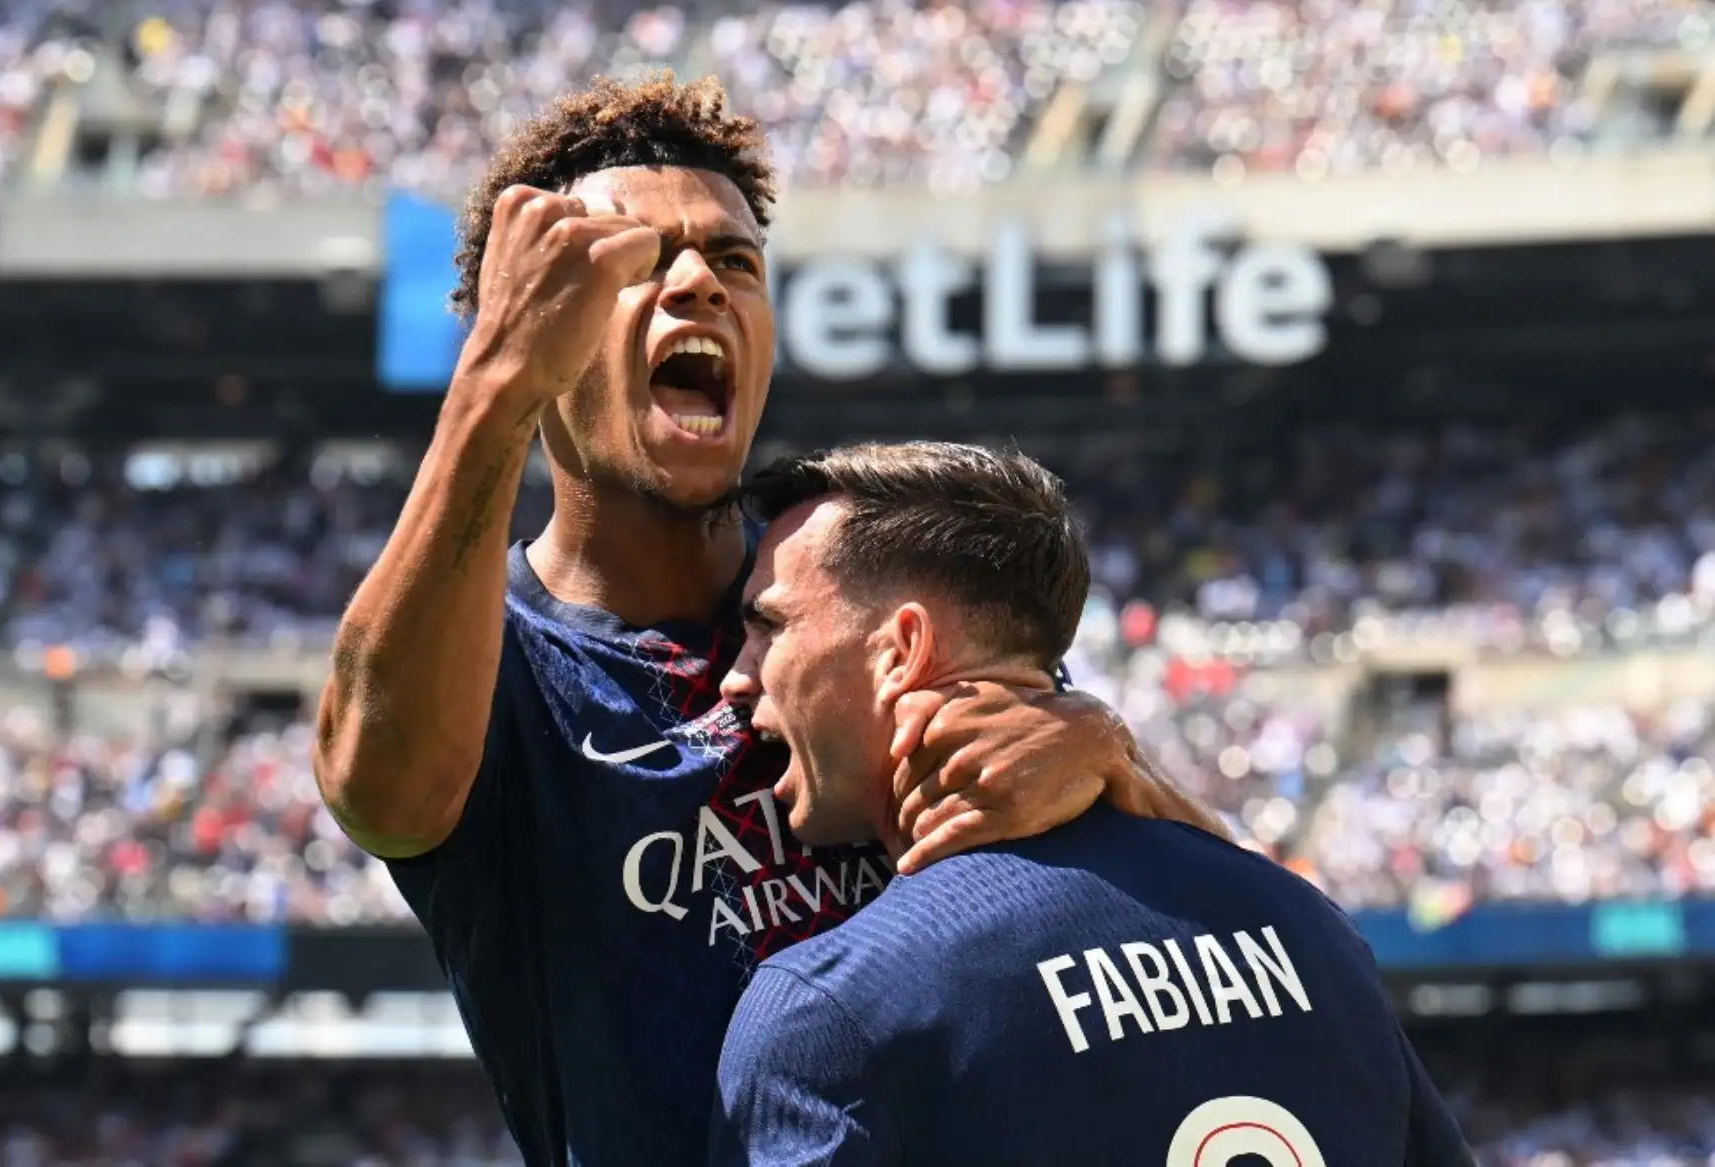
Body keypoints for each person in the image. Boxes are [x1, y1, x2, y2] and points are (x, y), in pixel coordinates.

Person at [313, 73, 1224, 1166]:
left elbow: (1228, 918)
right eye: (634, 260)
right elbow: (381, 786)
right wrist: (493, 385)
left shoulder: (864, 587)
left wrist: (1100, 747)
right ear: (534, 325)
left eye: (735, 260)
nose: (698, 279)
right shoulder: (491, 652)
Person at [710, 441, 1477, 1166]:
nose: (735, 679)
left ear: (900, 650)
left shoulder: (830, 1016)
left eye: (768, 626)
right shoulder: (1313, 930)